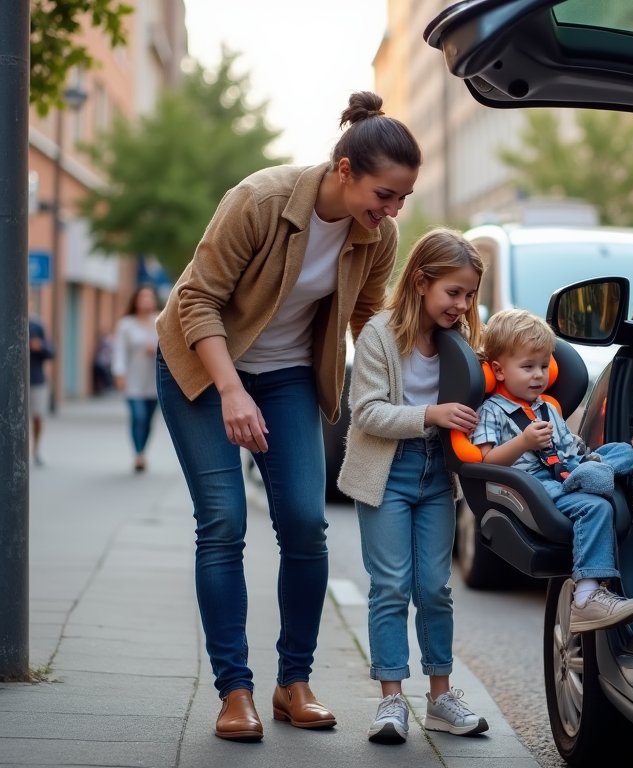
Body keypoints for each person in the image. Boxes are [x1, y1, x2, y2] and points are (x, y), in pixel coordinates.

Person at [155, 91, 420, 742]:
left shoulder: (376, 237)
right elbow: (197, 300)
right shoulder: (261, 200)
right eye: (383, 195)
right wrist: (229, 391)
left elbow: (365, 316)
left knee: (305, 523)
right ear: (344, 173)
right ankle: (234, 691)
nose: (390, 213)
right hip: (199, 364)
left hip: (286, 378)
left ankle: (292, 682)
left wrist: (401, 388)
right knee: (221, 522)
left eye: (401, 201)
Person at [338, 228, 489, 744]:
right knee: (391, 587)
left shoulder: (463, 339)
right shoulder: (380, 334)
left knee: (435, 587)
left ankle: (441, 698)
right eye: (454, 292)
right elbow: (367, 412)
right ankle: (391, 702)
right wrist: (431, 413)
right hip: (387, 470)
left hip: (435, 474)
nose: (462, 304)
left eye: (469, 295)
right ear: (421, 282)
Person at [471, 308, 633, 632]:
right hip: (533, 485)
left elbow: (568, 449)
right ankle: (587, 597)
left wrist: (585, 457)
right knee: (595, 507)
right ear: (499, 369)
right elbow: (488, 462)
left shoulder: (548, 407)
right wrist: (523, 441)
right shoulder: (491, 411)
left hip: (565, 471)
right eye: (527, 367)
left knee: (622, 451)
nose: (538, 375)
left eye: (543, 366)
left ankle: (595, 472)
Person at [112, 285, 160, 472]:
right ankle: (138, 454)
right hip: (133, 380)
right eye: (143, 297)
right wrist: (119, 373)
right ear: (136, 301)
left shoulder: (160, 322)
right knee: (138, 416)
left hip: (154, 382)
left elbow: (172, 350)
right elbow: (119, 352)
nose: (146, 301)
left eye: (150, 297)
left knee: (148, 420)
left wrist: (156, 350)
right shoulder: (126, 324)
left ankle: (143, 451)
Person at [28, 314, 54, 467]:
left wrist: (40, 347)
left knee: (37, 417)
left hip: (36, 379)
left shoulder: (37, 325)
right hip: (9, 382)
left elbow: (51, 351)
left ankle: (37, 450)